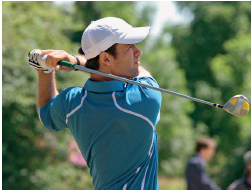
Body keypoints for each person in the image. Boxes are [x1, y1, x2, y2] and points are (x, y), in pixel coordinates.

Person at [28, 17, 162, 190]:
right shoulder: (144, 98)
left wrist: (45, 70)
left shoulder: (72, 103)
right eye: (130, 47)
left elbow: (45, 113)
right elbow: (139, 72)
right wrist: (76, 61)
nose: (138, 52)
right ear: (106, 58)